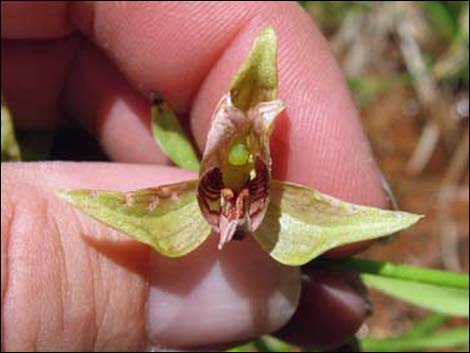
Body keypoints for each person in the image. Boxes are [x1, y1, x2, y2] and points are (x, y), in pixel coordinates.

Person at [1, 2, 389, 351]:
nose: (237, 182)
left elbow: (345, 220)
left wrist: (378, 220)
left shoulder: (279, 208)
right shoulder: (180, 206)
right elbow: (115, 210)